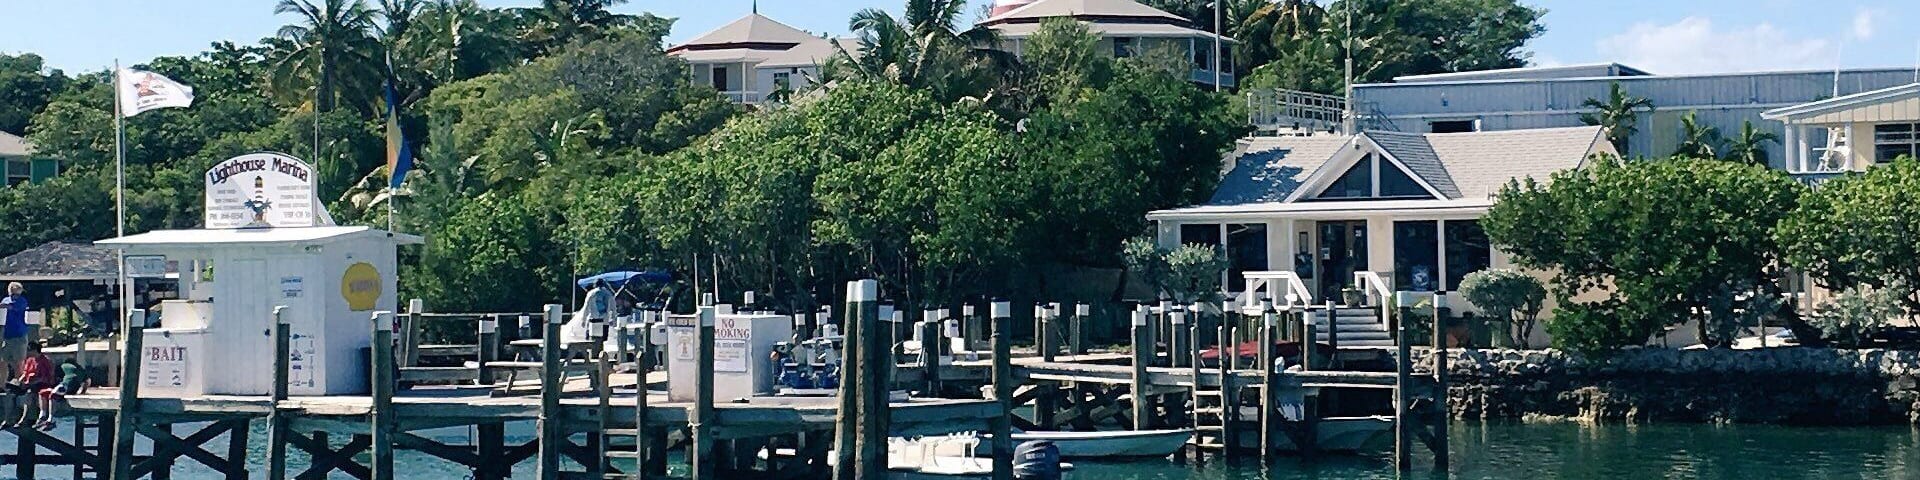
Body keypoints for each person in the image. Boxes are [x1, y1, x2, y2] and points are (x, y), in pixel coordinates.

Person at [6, 341, 53, 429]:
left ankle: (24, 418)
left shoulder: (45, 361)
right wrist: (19, 381)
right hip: (29, 383)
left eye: (29, 350)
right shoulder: (29, 360)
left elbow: (45, 377)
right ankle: (8, 419)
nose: (28, 352)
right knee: (11, 392)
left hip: (41, 384)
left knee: (29, 394)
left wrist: (30, 383)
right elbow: (25, 372)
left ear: (35, 350)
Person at [31, 358, 86, 431]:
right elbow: (87, 381)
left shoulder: (63, 366)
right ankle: (43, 417)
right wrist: (82, 391)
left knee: (51, 395)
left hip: (66, 385)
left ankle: (49, 419)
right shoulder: (81, 369)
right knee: (44, 393)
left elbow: (53, 377)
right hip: (72, 388)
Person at [0, 282, 26, 422]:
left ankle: (19, 385)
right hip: (7, 334)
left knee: (18, 362)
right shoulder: (5, 299)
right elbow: (5, 304)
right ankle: (2, 385)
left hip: (19, 334)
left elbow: (11, 307)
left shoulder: (21, 301)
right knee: (3, 361)